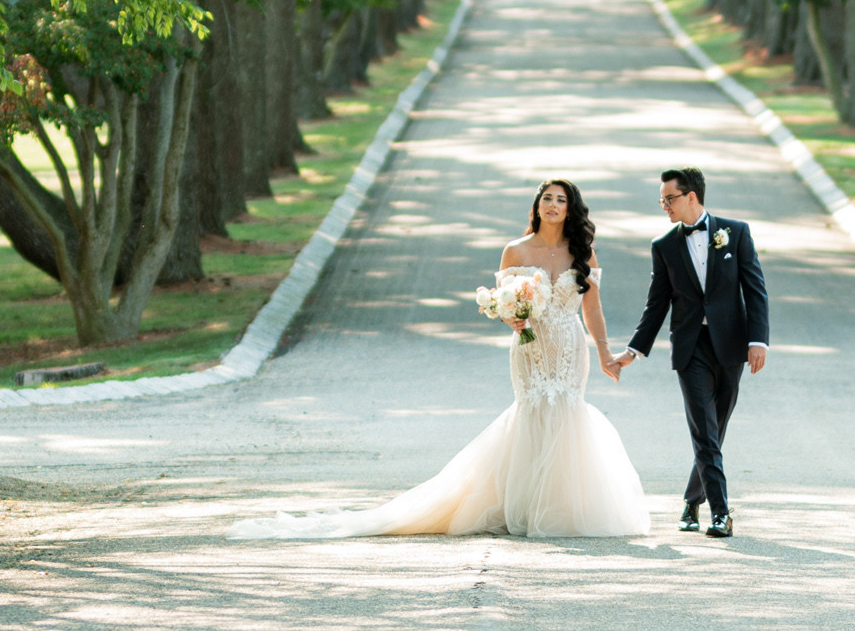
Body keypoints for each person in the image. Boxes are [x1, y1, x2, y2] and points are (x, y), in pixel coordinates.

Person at [231, 178, 649, 541]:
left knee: (565, 411)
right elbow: (507, 304)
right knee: (534, 410)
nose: (554, 206)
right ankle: (523, 507)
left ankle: (560, 506)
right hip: (530, 346)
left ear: (570, 209)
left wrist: (605, 353)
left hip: (568, 346)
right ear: (537, 206)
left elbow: (592, 310)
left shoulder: (583, 252)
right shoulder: (515, 251)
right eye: (547, 199)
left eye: (561, 200)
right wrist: (514, 321)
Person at [614, 165, 768, 537]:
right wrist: (632, 351)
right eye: (661, 200)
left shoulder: (736, 233)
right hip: (690, 348)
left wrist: (758, 341)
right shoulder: (663, 245)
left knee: (716, 428)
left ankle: (690, 501)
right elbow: (656, 305)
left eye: (669, 199)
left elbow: (755, 289)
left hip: (731, 345)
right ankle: (720, 513)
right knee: (703, 430)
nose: (664, 206)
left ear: (691, 197)